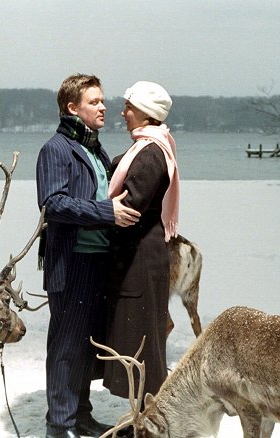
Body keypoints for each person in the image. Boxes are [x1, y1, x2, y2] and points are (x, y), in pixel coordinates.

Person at [36, 73, 141, 438]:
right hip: (72, 262)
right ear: (72, 107)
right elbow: (53, 204)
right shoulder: (56, 149)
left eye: (102, 100)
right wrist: (106, 212)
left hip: (99, 261)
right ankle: (59, 426)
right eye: (94, 101)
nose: (103, 107)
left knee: (87, 346)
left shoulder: (95, 149)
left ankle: (80, 416)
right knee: (67, 346)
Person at [103, 81, 180, 404]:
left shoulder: (149, 154)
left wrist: (97, 209)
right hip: (141, 257)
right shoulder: (148, 149)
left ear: (146, 113)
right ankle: (142, 418)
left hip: (140, 259)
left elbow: (130, 207)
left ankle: (147, 421)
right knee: (140, 339)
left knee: (141, 344)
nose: (123, 113)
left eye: (129, 107)